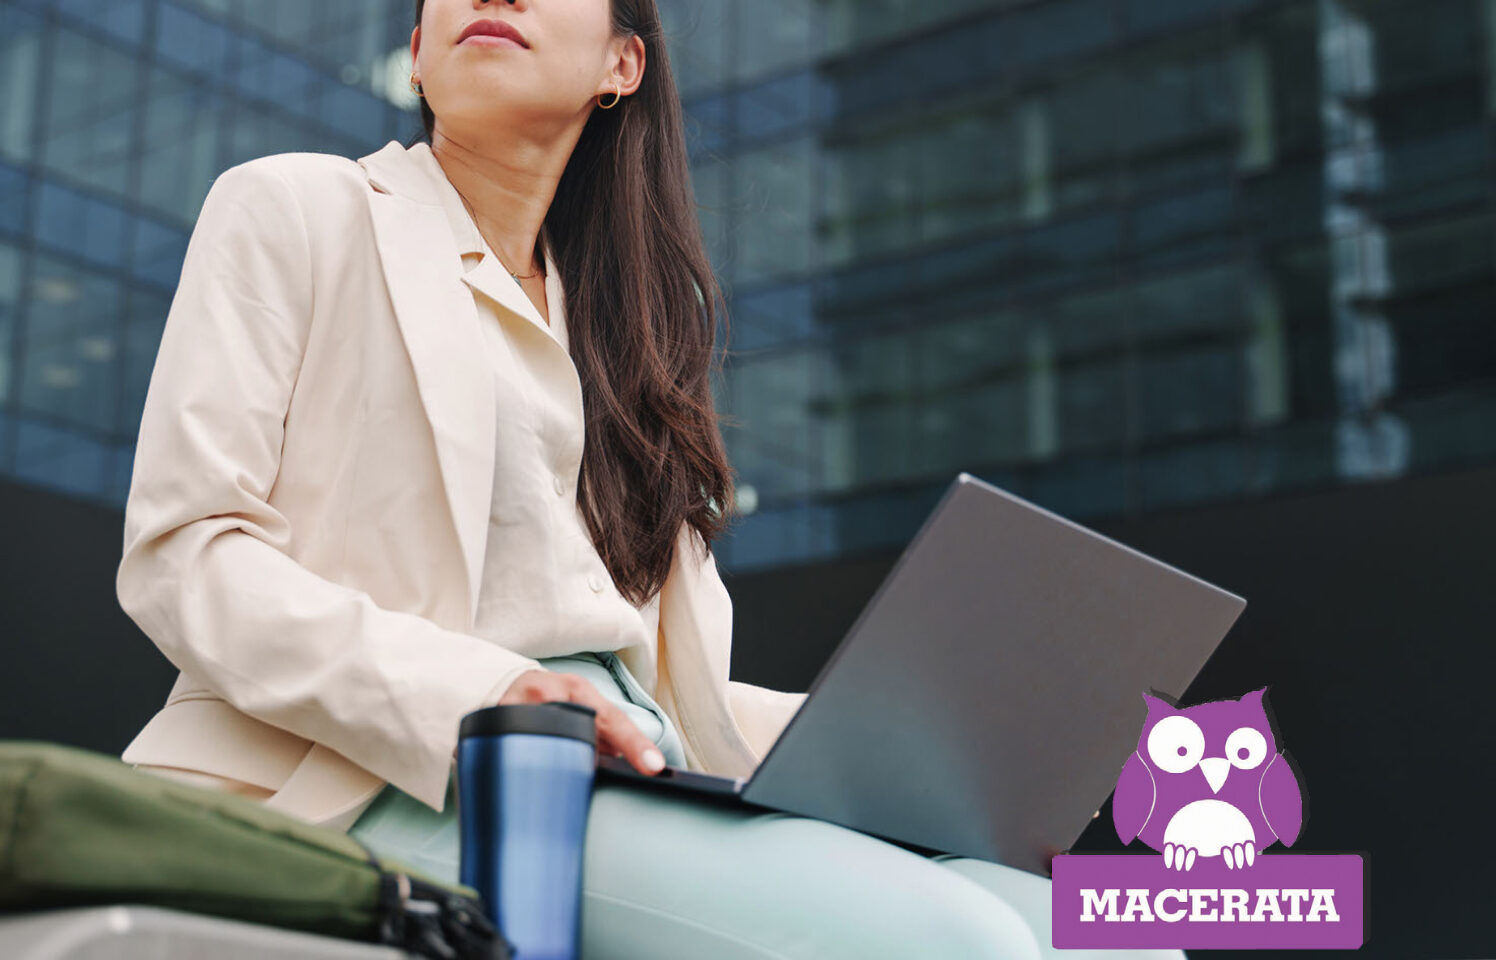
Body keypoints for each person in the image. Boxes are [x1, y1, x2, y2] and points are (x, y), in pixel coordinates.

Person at [115, 1, 1183, 957]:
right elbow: (188, 557)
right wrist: (491, 695)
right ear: (417, 52)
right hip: (384, 771)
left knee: (1107, 937)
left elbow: (669, 702)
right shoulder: (298, 209)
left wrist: (934, 756)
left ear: (623, 64)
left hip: (633, 767)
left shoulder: (624, 340)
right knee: (951, 943)